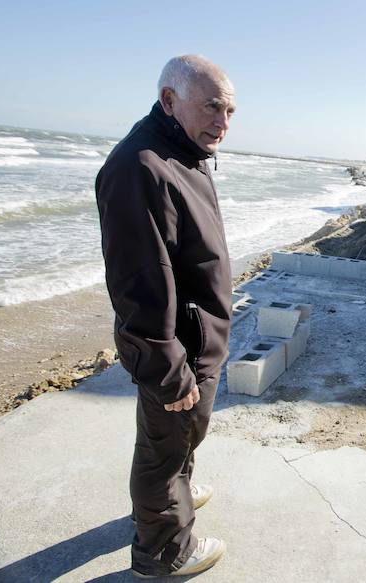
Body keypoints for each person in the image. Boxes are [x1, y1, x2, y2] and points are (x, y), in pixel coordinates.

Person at [95, 55, 236, 578]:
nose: (223, 122)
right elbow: (138, 284)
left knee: (178, 438)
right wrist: (168, 368)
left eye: (230, 110)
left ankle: (177, 487)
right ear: (169, 100)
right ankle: (163, 552)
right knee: (162, 451)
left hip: (196, 337)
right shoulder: (139, 168)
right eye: (213, 107)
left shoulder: (185, 152)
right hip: (176, 347)